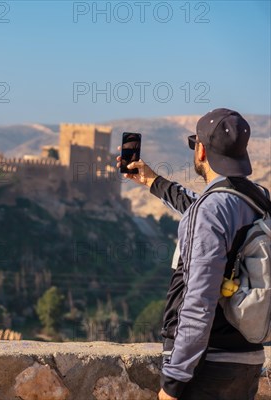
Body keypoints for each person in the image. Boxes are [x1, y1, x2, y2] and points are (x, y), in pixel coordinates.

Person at [117, 108, 269, 400]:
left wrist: (173, 382)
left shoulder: (212, 210)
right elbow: (200, 207)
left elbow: (199, 300)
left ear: (200, 150)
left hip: (206, 368)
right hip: (247, 361)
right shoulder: (258, 199)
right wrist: (152, 181)